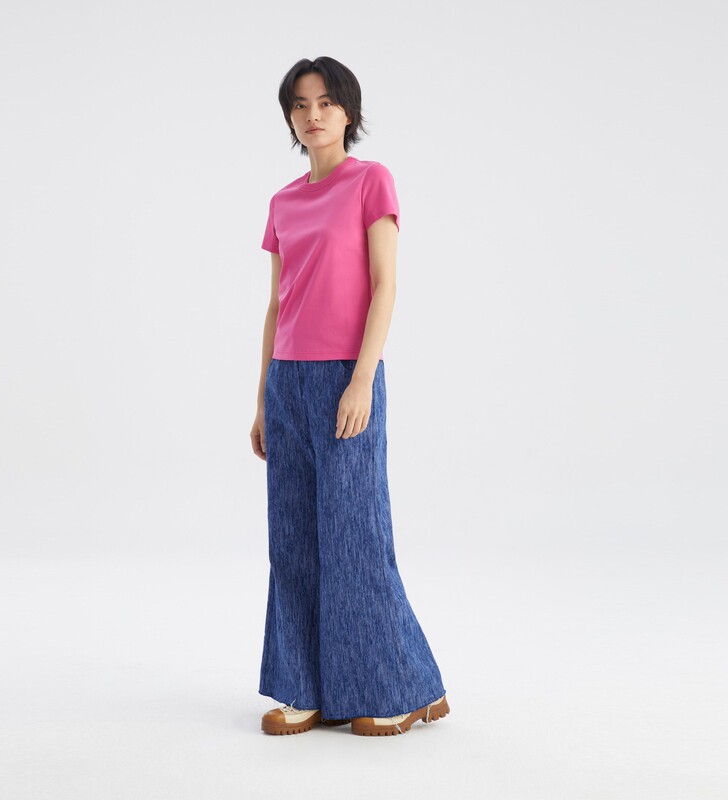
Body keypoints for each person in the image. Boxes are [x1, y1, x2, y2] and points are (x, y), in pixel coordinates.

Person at [249, 56, 449, 737]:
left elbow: (385, 285)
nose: (313, 115)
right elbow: (277, 305)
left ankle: (398, 687)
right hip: (287, 380)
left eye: (327, 102)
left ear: (348, 113)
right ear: (290, 118)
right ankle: (303, 688)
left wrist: (362, 378)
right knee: (293, 541)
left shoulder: (370, 181)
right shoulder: (282, 202)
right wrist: (262, 400)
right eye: (301, 105)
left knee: (354, 538)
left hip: (346, 376)